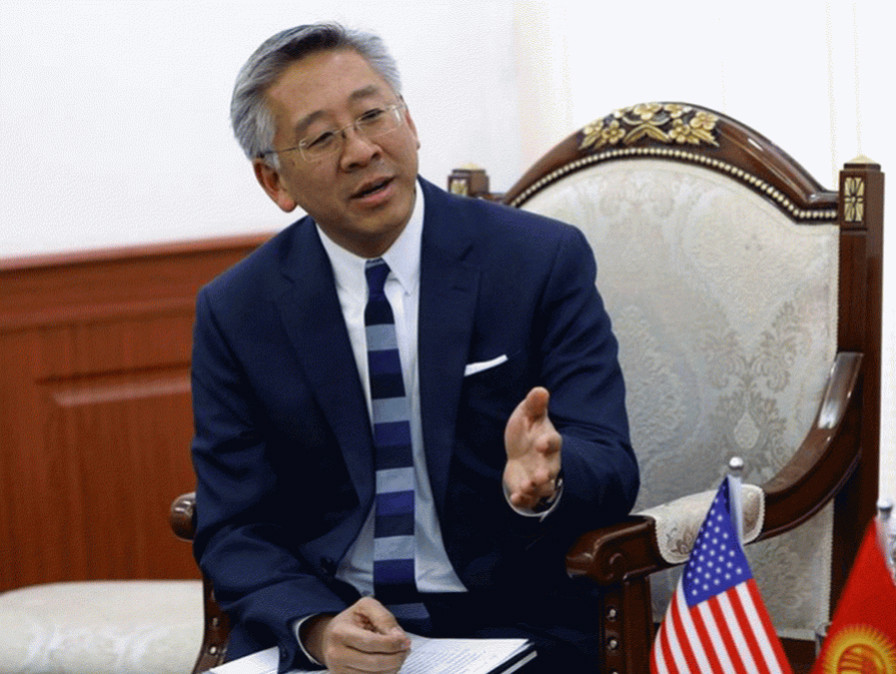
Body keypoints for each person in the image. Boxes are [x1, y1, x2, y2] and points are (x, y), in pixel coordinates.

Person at [190, 21, 638, 673]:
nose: (361, 150)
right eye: (321, 138)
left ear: (411, 122)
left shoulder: (538, 261)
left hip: (510, 623)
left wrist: (548, 479)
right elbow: (234, 524)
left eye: (373, 115)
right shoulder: (237, 310)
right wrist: (317, 627)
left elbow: (609, 457)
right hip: (332, 624)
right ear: (275, 181)